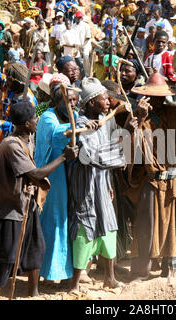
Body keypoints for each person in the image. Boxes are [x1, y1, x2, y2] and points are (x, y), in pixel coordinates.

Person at [0, 101, 77, 300]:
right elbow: (36, 174)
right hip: (10, 210)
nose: (36, 121)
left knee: (36, 249)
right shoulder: (11, 145)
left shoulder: (25, 140)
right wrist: (64, 157)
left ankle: (33, 294)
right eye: (34, 119)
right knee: (5, 257)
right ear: (26, 123)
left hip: (27, 206)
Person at [67, 77, 137, 292]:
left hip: (101, 184)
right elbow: (92, 156)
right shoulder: (79, 124)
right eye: (104, 99)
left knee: (108, 227)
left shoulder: (105, 121)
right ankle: (76, 283)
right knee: (84, 229)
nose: (108, 102)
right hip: (85, 185)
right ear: (91, 102)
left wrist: (128, 131)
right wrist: (119, 150)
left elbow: (109, 148)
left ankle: (110, 277)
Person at [126, 73, 176, 280]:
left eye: (161, 97)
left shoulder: (174, 114)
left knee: (171, 227)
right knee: (146, 226)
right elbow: (130, 148)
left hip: (171, 178)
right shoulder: (136, 116)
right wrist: (139, 118)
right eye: (153, 97)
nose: (157, 101)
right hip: (150, 179)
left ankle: (167, 267)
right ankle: (141, 270)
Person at [35, 74, 86, 286]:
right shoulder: (48, 117)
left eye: (75, 101)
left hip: (67, 177)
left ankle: (64, 272)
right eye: (69, 100)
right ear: (57, 101)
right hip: (51, 178)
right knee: (53, 221)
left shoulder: (71, 116)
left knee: (66, 221)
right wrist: (79, 128)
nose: (73, 104)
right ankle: (48, 271)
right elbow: (57, 135)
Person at [0, 62, 38, 140]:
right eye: (7, 78)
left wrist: (0, 123)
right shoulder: (12, 89)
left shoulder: (27, 102)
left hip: (18, 141)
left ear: (19, 83)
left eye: (9, 80)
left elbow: (22, 128)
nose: (6, 81)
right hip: (5, 136)